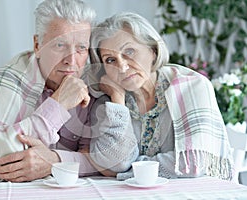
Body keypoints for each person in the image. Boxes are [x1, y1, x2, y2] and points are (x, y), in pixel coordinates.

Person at [85, 12, 234, 180]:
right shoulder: (110, 98)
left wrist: (127, 171)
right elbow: (115, 162)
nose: (122, 66)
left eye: (129, 51)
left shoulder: (193, 87)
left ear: (153, 50)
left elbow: (193, 163)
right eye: (110, 60)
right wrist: (118, 102)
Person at [0, 0, 98, 183]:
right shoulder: (5, 80)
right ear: (37, 45)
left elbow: (102, 159)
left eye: (81, 48)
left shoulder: (91, 82)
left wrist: (53, 161)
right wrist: (58, 104)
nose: (71, 60)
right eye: (60, 45)